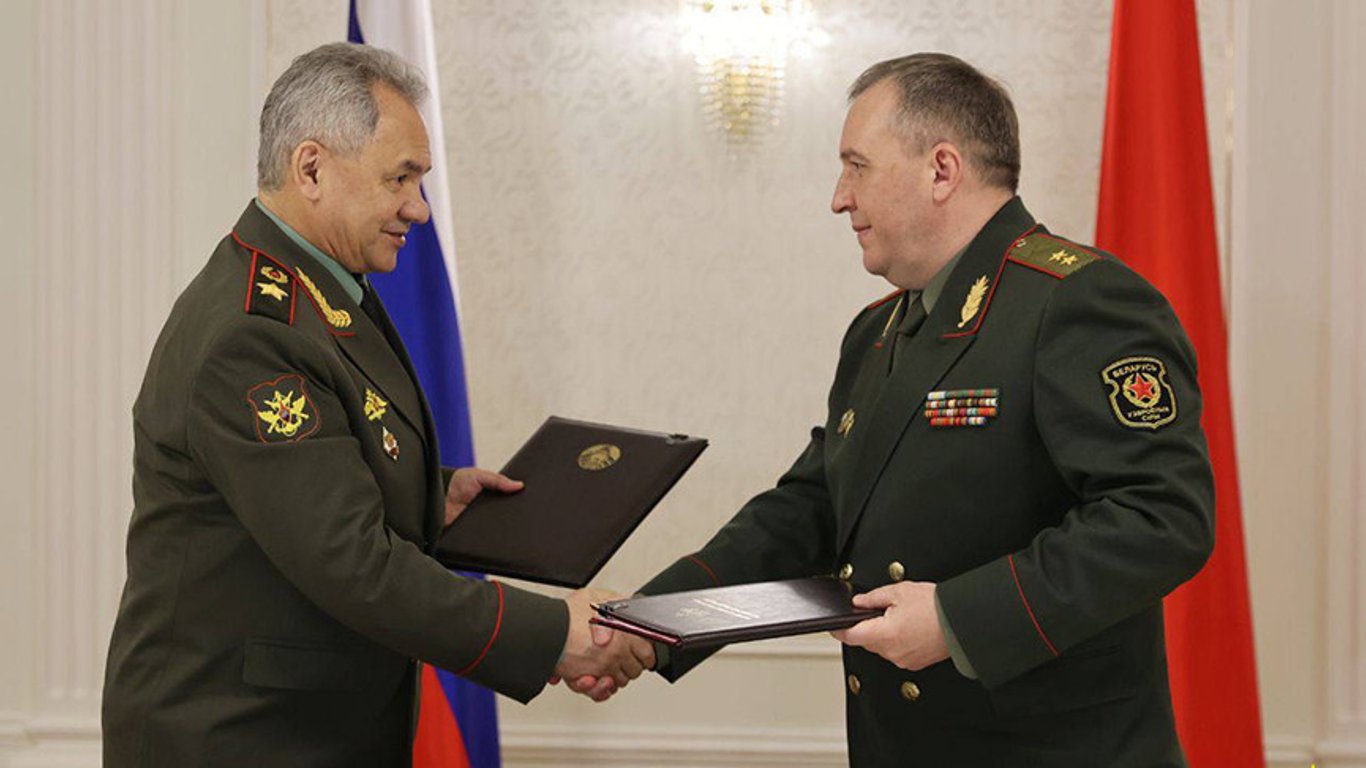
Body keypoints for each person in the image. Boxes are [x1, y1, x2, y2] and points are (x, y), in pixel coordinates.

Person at [607, 53, 1215, 766]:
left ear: (942, 170)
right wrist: (651, 623)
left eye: (857, 167)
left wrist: (957, 619)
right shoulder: (878, 330)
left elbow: (1160, 517)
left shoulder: (1078, 300)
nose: (839, 198)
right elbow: (809, 510)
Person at [102, 42, 651, 768]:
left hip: (308, 728)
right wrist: (553, 634)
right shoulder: (253, 332)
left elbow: (318, 471)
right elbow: (351, 562)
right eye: (401, 178)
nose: (418, 209)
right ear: (311, 169)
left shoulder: (319, 288)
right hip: (238, 737)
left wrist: (429, 493)